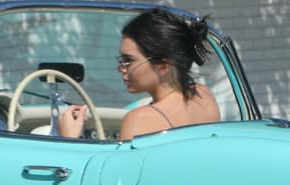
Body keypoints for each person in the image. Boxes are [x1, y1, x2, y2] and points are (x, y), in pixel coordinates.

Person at [58, 8, 221, 140]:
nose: (120, 67)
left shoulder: (140, 119)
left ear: (163, 66)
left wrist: (69, 138)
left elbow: (115, 178)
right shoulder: (204, 96)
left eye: (128, 60)